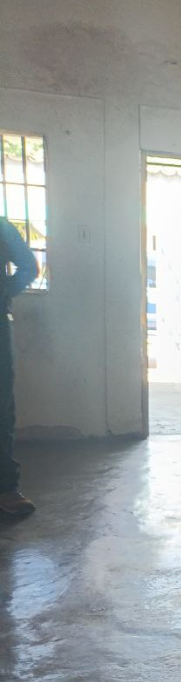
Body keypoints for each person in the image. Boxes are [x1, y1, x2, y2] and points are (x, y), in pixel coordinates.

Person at [0, 218, 40, 517]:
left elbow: (28, 266)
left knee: (1, 408)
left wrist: (3, 296)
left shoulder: (2, 227)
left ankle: (6, 488)